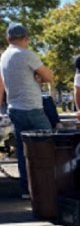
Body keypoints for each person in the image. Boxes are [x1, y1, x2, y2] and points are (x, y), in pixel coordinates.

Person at [0, 23, 54, 198]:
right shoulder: (26, 55)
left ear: (8, 38)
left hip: (14, 108)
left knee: (25, 152)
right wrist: (37, 77)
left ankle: (27, 189)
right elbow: (48, 77)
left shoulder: (4, 57)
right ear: (25, 38)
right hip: (32, 107)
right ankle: (49, 185)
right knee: (47, 145)